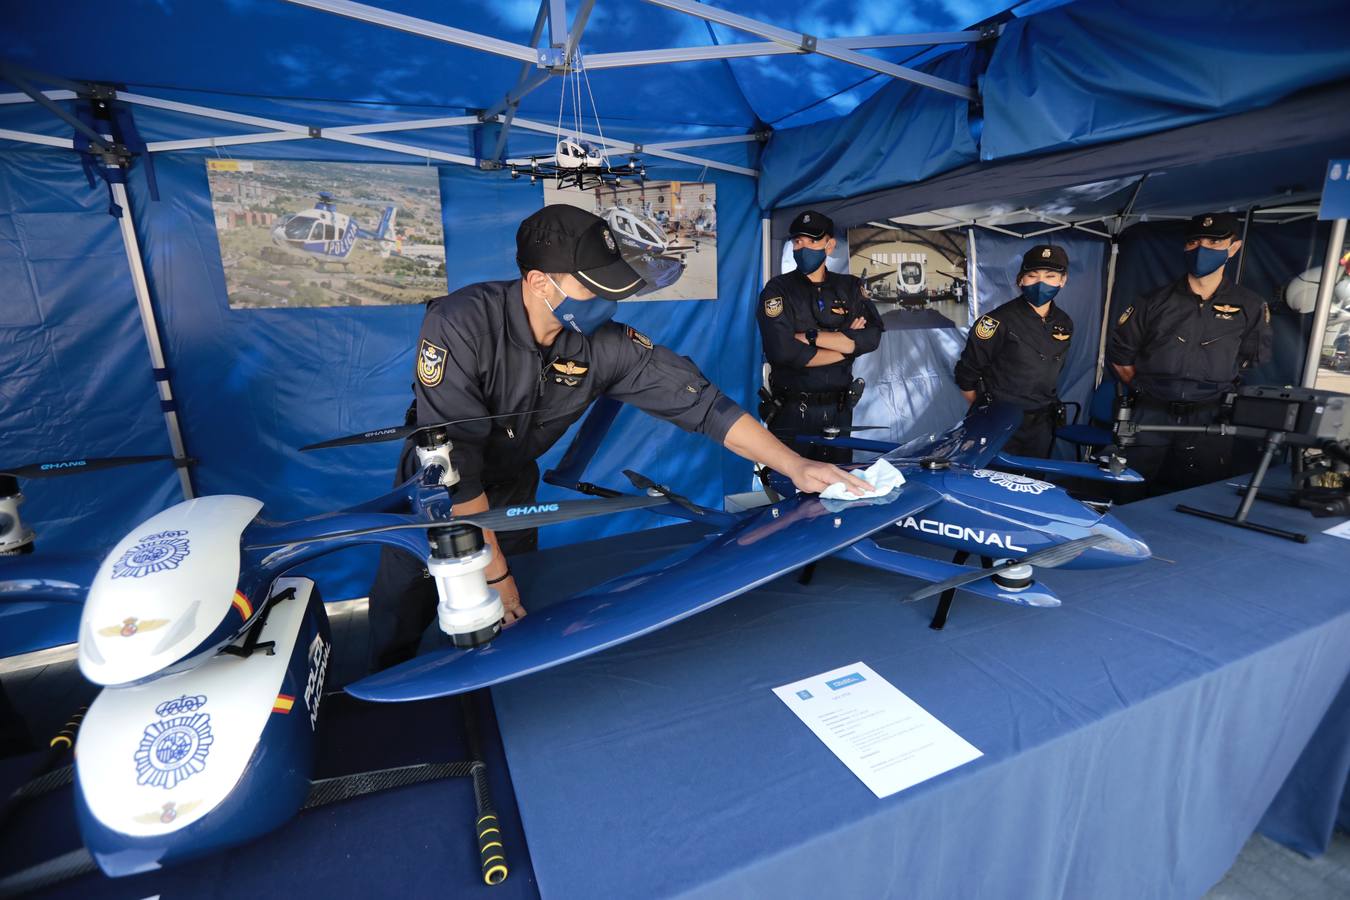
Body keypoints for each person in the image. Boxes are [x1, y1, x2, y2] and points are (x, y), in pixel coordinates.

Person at [367, 205, 870, 671]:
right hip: (434, 494)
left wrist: (794, 466)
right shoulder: (460, 322)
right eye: (592, 288)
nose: (606, 303)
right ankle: (377, 699)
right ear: (539, 281)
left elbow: (704, 406)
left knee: (510, 619)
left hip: (513, 489)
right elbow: (456, 467)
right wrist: (492, 572)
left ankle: (496, 701)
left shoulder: (605, 345)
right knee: (405, 603)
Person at [1108, 212, 1272, 493]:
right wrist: (1151, 389)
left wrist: (1211, 376)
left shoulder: (1250, 305)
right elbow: (1121, 356)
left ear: (1233, 248)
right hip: (1150, 415)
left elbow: (1251, 358)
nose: (1202, 249)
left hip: (1208, 418)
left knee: (1198, 495)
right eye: (1194, 242)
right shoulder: (1152, 301)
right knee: (1129, 491)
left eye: (1214, 242)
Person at [756, 211, 884, 464]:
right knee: (791, 490)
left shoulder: (849, 287)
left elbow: (871, 337)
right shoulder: (778, 289)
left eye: (812, 241)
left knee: (838, 489)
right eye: (798, 242)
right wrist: (847, 345)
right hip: (793, 412)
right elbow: (784, 352)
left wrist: (811, 337)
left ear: (830, 245)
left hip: (839, 411)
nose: (803, 248)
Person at [954, 244, 1075, 458]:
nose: (1041, 283)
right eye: (1032, 275)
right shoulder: (995, 322)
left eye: (1050, 276)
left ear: (1062, 281)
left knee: (1032, 482)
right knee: (995, 480)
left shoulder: (1064, 322)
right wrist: (988, 407)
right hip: (999, 418)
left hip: (1040, 422)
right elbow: (966, 375)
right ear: (1020, 280)